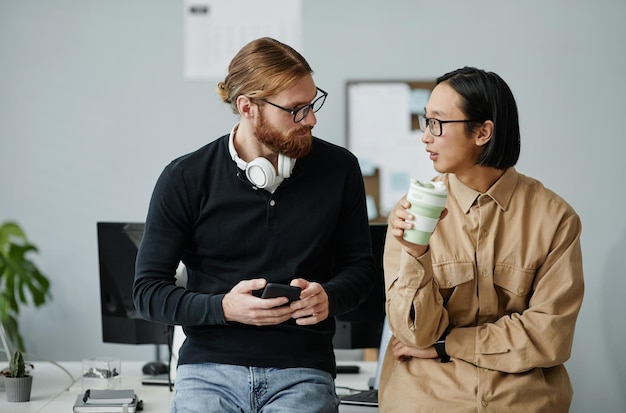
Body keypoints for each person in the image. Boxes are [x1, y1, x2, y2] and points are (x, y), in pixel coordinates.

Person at [132, 37, 375, 413]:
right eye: (296, 110)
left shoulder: (339, 169)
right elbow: (148, 292)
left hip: (302, 370)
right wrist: (225, 309)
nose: (311, 119)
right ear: (247, 107)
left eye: (312, 104)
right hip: (208, 371)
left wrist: (330, 297)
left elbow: (361, 271)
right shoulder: (185, 178)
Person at [379, 67, 584, 412]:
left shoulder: (555, 219)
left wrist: (447, 345)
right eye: (425, 121)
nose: (426, 137)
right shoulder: (411, 212)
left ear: (483, 132)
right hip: (429, 401)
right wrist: (416, 252)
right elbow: (413, 334)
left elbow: (549, 338)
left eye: (438, 124)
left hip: (521, 403)